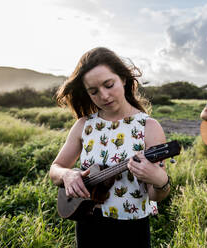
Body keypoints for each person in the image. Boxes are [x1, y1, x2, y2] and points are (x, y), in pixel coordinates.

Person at [49, 47, 171, 247]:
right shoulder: (83, 125)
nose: (104, 96)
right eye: (94, 91)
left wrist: (159, 180)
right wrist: (67, 175)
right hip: (88, 222)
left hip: (132, 228)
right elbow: (56, 168)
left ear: (123, 78)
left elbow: (157, 194)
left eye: (109, 84)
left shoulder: (148, 127)